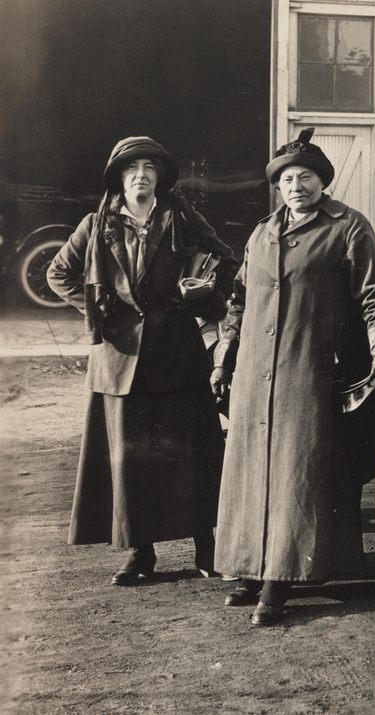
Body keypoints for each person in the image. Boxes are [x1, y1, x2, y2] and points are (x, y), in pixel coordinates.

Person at [210, 128, 375, 627]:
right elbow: (239, 301)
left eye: (307, 177)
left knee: (297, 469)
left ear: (323, 182)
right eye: (288, 179)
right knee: (253, 468)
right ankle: (250, 568)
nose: (297, 186)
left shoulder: (349, 227)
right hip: (256, 370)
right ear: (278, 187)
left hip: (309, 366)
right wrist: (223, 357)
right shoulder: (261, 232)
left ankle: (281, 581)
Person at [46, 136, 236, 585]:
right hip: (119, 359)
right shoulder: (96, 224)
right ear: (119, 178)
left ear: (160, 178)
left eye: (149, 167)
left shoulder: (181, 217)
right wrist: (97, 308)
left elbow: (226, 261)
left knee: (191, 454)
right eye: (132, 168)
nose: (141, 175)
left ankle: (207, 547)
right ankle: (139, 553)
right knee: (129, 461)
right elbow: (59, 274)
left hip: (177, 355)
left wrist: (203, 297)